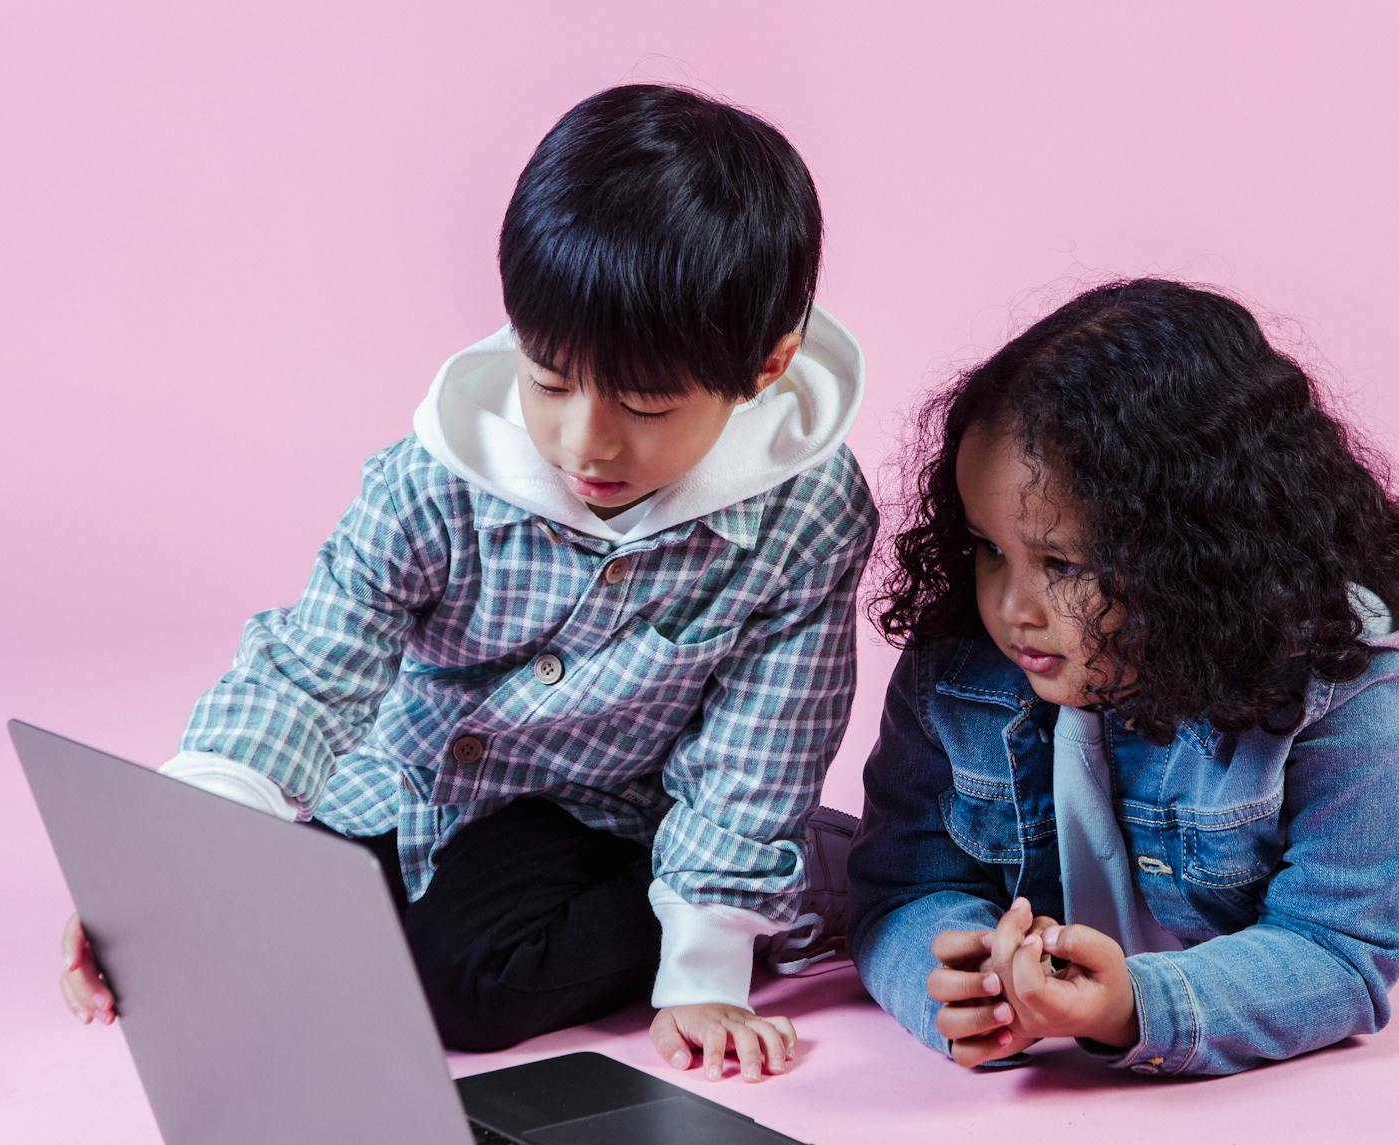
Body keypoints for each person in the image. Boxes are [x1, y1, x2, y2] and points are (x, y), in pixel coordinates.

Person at [59, 84, 877, 1084]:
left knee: (468, 991)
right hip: (409, 777)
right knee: (294, 926)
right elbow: (310, 672)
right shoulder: (439, 471)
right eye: (550, 380)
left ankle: (803, 884)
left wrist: (704, 959)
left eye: (647, 403)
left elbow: (763, 743)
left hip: (600, 811)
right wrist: (167, 872)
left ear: (767, 366)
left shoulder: (809, 509)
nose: (588, 441)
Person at [847, 278, 1399, 1076]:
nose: (1011, 606)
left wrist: (1136, 1009)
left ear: (1191, 555)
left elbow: (1339, 949)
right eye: (989, 548)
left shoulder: (1343, 683)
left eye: (1061, 563)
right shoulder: (955, 670)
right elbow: (901, 889)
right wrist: (957, 989)